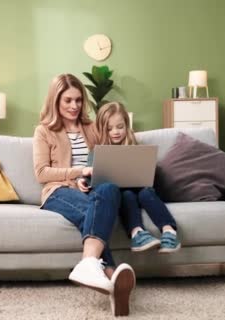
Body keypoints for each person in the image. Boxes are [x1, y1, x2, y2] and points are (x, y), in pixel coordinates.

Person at [33, 74, 135, 316]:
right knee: (94, 213)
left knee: (108, 191)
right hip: (58, 191)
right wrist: (80, 172)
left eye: (78, 100)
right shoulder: (44, 131)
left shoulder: (92, 127)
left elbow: (108, 154)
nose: (74, 106)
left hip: (92, 188)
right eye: (68, 100)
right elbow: (41, 173)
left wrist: (91, 177)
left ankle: (95, 271)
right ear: (55, 100)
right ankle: (107, 272)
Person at [90, 101, 181, 253]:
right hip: (122, 197)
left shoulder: (135, 147)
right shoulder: (95, 152)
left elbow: (148, 177)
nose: (115, 132)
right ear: (101, 129)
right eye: (109, 129)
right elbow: (92, 179)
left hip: (142, 191)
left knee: (146, 192)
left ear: (127, 125)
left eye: (120, 127)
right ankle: (137, 233)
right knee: (127, 195)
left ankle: (169, 232)